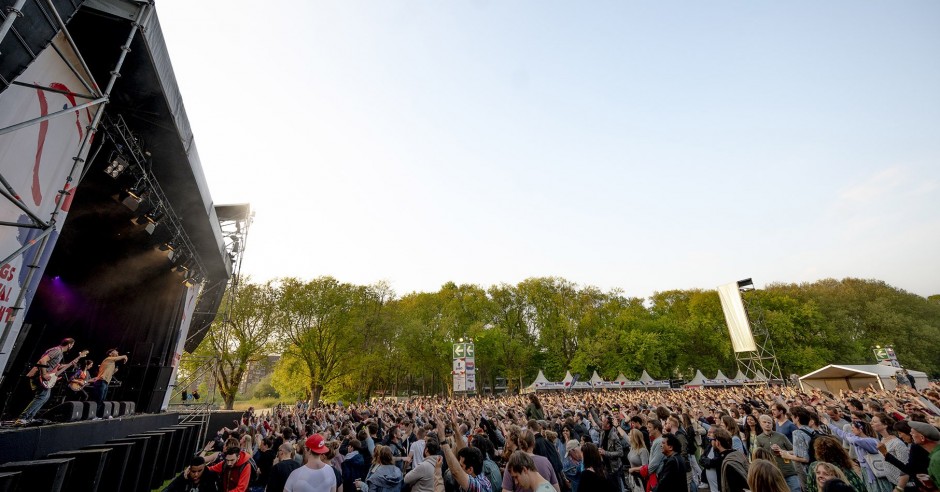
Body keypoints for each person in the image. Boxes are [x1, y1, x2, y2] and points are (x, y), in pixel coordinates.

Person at [17, 338, 79, 424]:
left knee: (44, 397)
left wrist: (70, 364)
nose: (72, 347)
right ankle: (22, 418)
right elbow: (42, 360)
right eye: (72, 345)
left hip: (43, 376)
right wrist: (44, 374)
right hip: (39, 376)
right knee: (41, 396)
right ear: (69, 344)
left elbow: (55, 366)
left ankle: (28, 418)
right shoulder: (57, 350)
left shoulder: (60, 353)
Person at [755, 414, 801, 492]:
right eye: (764, 422)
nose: (767, 424)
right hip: (772, 472)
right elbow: (759, 456)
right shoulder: (759, 439)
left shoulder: (781, 436)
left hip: (788, 470)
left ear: (772, 424)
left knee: (795, 490)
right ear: (760, 424)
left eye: (769, 422)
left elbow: (794, 451)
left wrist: (783, 451)